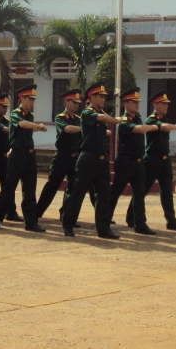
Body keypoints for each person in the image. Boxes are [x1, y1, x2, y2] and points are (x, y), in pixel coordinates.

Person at [60, 82, 119, 239]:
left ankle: (103, 229)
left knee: (103, 196)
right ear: (91, 97)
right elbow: (101, 117)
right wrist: (116, 119)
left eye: (104, 97)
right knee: (77, 194)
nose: (103, 99)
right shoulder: (87, 113)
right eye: (100, 97)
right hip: (87, 159)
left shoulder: (102, 112)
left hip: (102, 161)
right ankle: (68, 224)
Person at [0, 84, 48, 232]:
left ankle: (31, 222)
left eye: (33, 99)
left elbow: (29, 127)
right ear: (21, 98)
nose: (32, 102)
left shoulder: (30, 115)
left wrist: (38, 128)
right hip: (17, 155)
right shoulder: (16, 113)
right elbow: (22, 124)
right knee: (9, 187)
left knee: (29, 189)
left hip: (29, 155)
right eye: (29, 99)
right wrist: (37, 126)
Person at [129, 91, 176, 232]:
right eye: (163, 104)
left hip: (165, 160)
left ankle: (171, 221)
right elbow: (165, 127)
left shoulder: (164, 118)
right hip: (152, 160)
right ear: (155, 105)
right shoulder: (151, 120)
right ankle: (131, 217)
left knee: (167, 192)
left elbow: (167, 126)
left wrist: (172, 126)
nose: (166, 106)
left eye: (167, 104)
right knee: (142, 190)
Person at [108, 88, 158, 235]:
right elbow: (138, 130)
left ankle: (139, 223)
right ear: (126, 104)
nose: (137, 105)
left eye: (138, 102)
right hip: (125, 162)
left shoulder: (137, 118)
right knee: (115, 192)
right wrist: (152, 127)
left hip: (138, 162)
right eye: (134, 102)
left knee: (139, 194)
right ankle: (105, 219)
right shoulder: (124, 121)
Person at [36, 89, 82, 223]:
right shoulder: (60, 117)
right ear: (66, 102)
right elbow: (67, 129)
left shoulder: (79, 119)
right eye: (73, 102)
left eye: (77, 102)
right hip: (61, 157)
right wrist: (84, 127)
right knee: (52, 185)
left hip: (74, 157)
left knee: (73, 188)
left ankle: (66, 215)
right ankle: (37, 212)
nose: (76, 105)